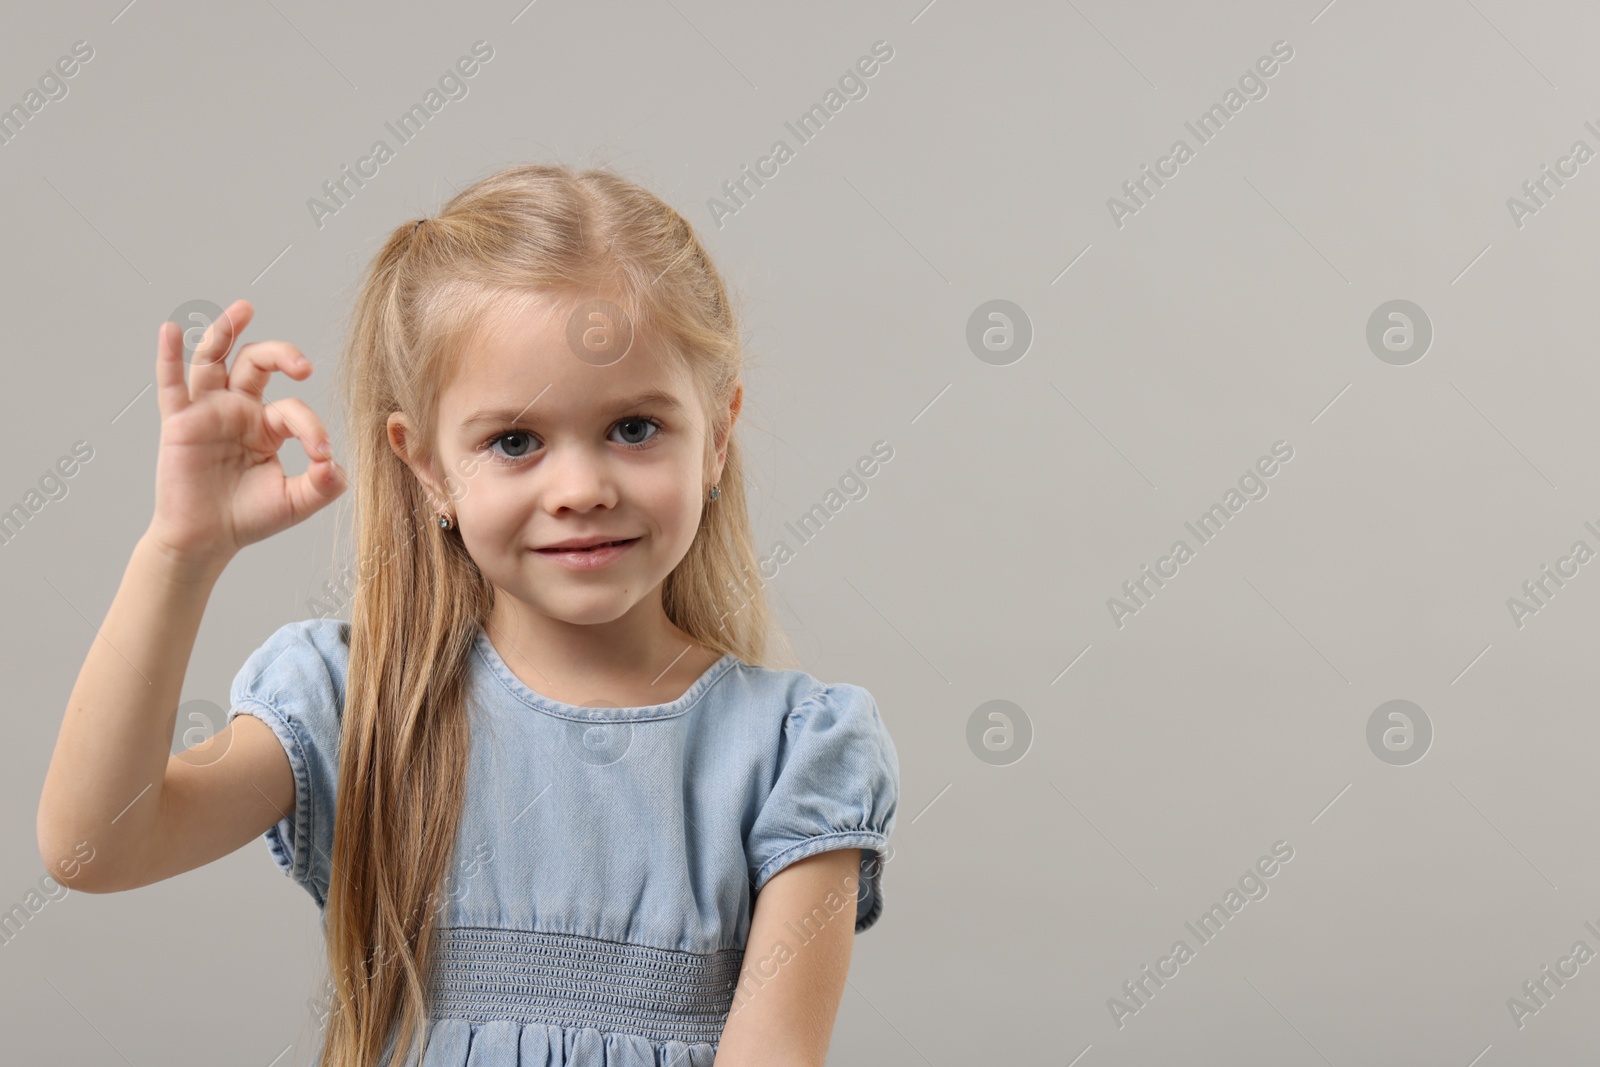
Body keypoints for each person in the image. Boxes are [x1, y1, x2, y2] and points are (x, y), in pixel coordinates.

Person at [36, 163, 900, 1067]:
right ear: (429, 468)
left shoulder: (797, 749)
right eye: (515, 441)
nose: (580, 489)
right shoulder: (357, 701)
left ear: (717, 435)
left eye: (635, 428)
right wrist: (179, 552)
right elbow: (95, 846)